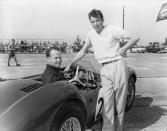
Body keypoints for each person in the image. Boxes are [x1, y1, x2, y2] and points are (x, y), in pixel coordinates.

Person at [64, 9, 140, 131]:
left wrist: (123, 50)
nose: (95, 24)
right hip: (104, 69)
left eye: (97, 20)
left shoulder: (112, 30)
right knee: (107, 103)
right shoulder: (90, 34)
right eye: (92, 22)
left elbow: (135, 37)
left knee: (120, 103)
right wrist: (71, 63)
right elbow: (83, 50)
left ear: (102, 20)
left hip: (118, 66)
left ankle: (119, 129)